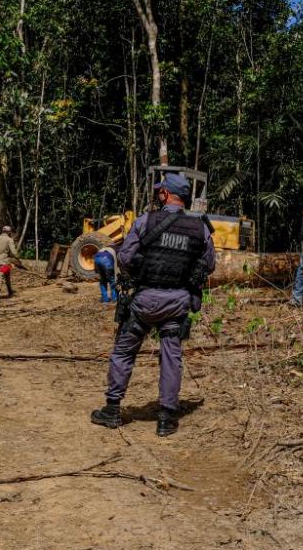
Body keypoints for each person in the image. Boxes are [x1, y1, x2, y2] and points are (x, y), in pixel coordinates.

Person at [90, 173, 215, 437]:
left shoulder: (146, 221)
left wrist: (141, 268)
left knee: (124, 351)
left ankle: (112, 410)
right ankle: (166, 418)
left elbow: (124, 258)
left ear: (166, 194)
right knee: (172, 356)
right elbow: (209, 264)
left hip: (145, 301)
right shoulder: (201, 228)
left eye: (160, 192)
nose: (158, 195)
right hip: (178, 302)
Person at [0, 226, 18, 301]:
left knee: (7, 276)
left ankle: (10, 291)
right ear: (9, 232)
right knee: (0, 278)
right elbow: (14, 252)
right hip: (4, 262)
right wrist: (17, 258)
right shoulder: (9, 240)